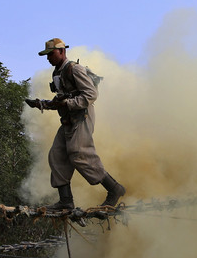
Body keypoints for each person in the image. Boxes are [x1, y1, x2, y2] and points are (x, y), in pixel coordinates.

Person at [25, 38, 126, 209]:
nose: (48, 58)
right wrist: (42, 104)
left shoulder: (75, 69)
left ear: (62, 51)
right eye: (46, 55)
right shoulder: (57, 73)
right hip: (68, 120)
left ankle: (114, 189)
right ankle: (66, 201)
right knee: (56, 155)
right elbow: (61, 99)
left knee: (79, 153)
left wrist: (68, 104)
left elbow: (91, 95)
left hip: (82, 117)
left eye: (51, 54)